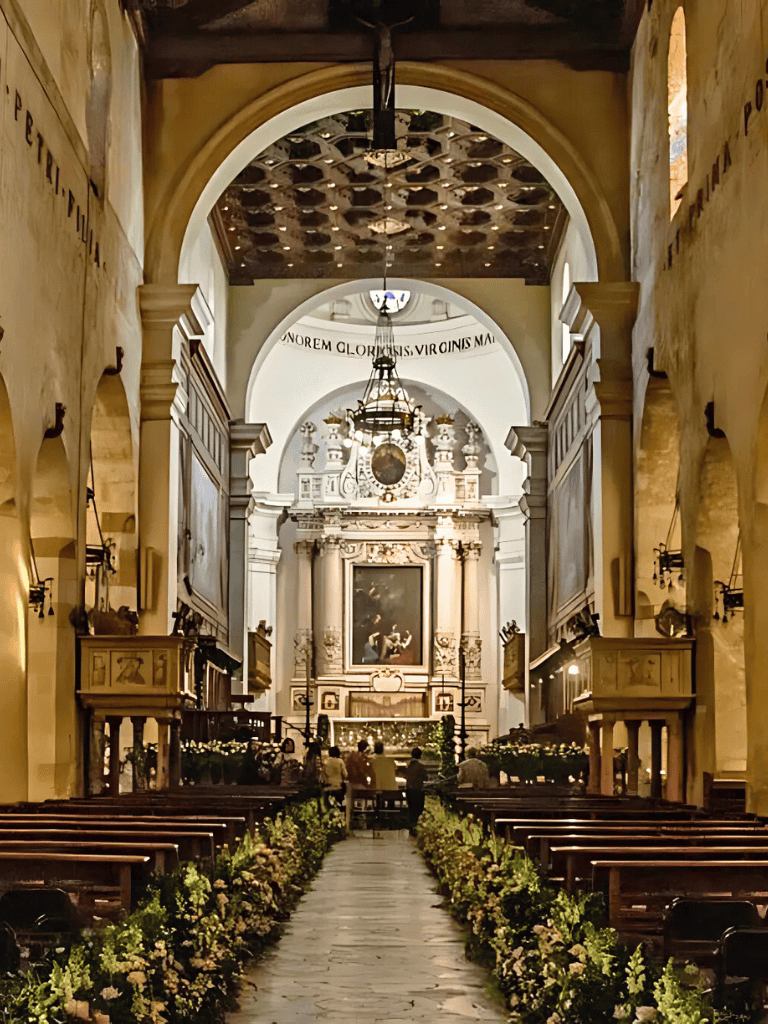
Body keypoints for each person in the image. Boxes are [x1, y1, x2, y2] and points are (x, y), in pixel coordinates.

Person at [404, 746, 429, 832]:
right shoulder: (421, 767)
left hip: (409, 790)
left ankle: (411, 824)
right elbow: (426, 778)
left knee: (411, 808)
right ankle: (416, 825)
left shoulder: (408, 766)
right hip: (418, 790)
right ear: (420, 756)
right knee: (418, 809)